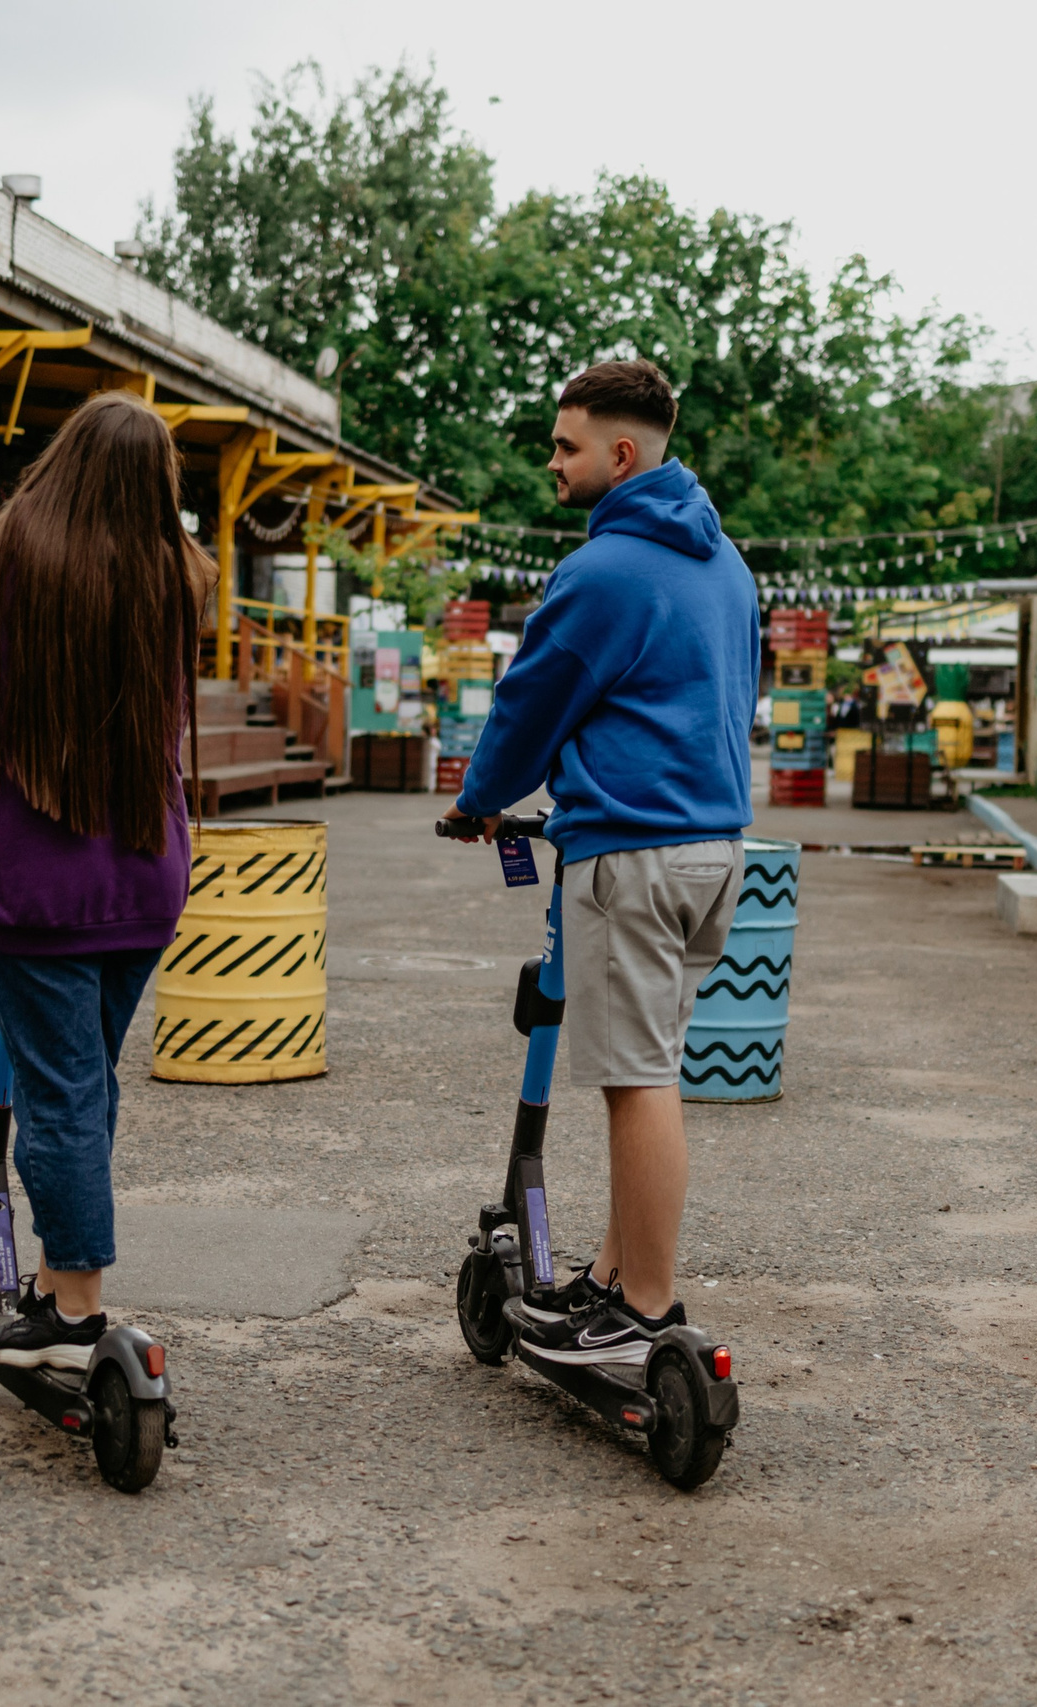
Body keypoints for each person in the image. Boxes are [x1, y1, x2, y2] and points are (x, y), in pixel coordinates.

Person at [0, 391, 214, 1370]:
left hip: (32, 887)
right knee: (83, 1083)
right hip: (145, 877)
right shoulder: (175, 577)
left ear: (60, 461)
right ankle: (63, 1276)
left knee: (62, 1092)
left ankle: (72, 1313)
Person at [443, 359, 760, 1367]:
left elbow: (532, 702)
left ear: (621, 454)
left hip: (634, 852)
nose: (552, 461)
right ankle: (614, 1279)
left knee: (635, 1081)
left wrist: (479, 800)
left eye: (564, 445)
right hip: (712, 849)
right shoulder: (725, 566)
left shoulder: (603, 572)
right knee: (647, 1065)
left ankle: (650, 1307)